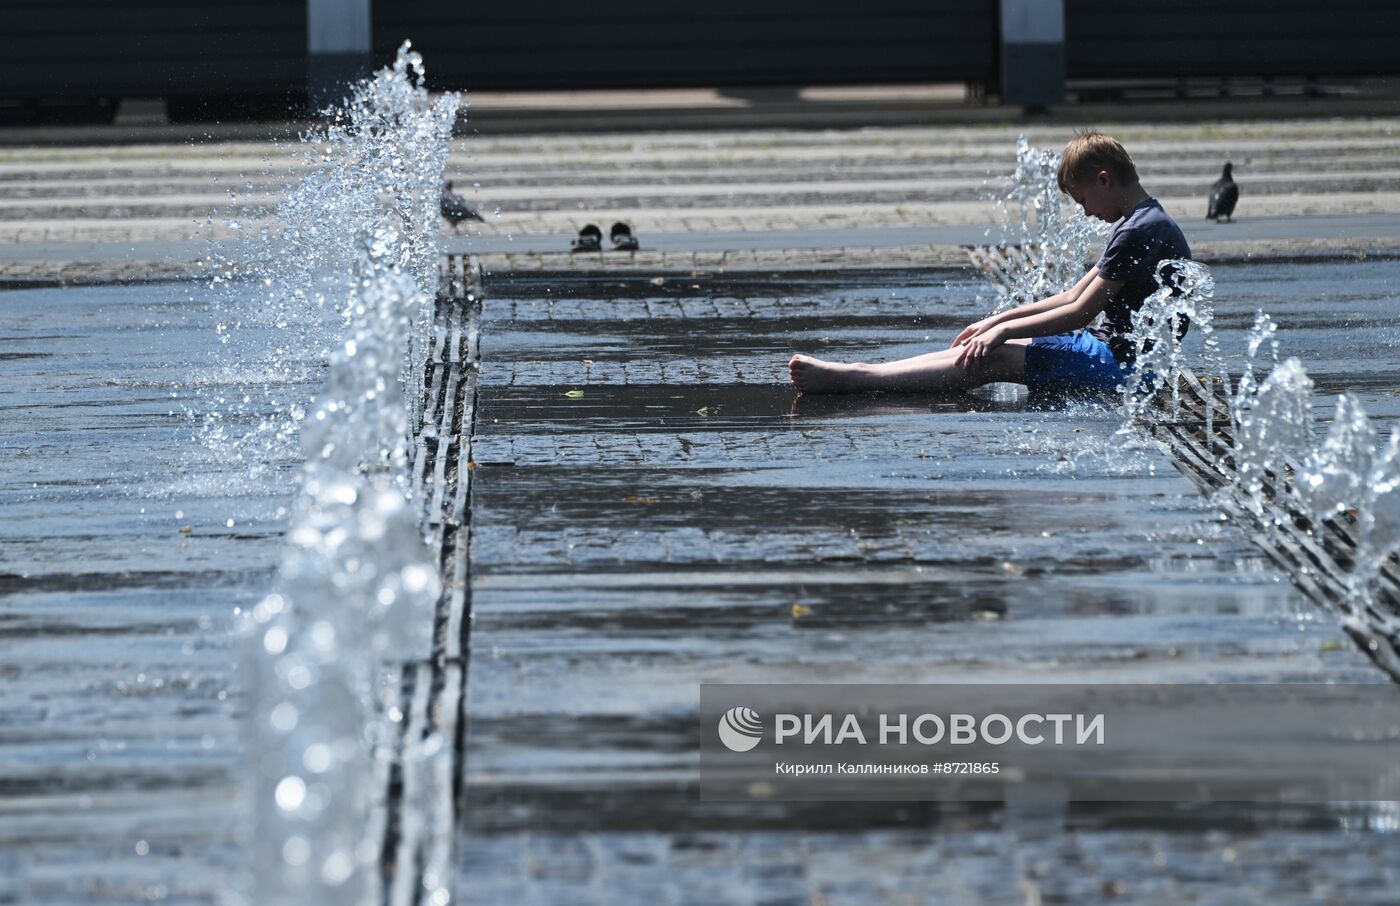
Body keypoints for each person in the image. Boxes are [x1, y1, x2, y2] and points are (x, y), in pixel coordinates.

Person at [788, 132, 1191, 396]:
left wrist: (1001, 333)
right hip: (1112, 354)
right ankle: (866, 370)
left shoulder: (1138, 230)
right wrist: (995, 323)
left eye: (1082, 200)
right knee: (989, 345)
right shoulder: (1142, 221)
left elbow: (1080, 312)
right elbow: (1072, 295)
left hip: (1130, 373)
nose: (1084, 213)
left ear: (1104, 180)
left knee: (993, 356)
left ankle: (858, 380)